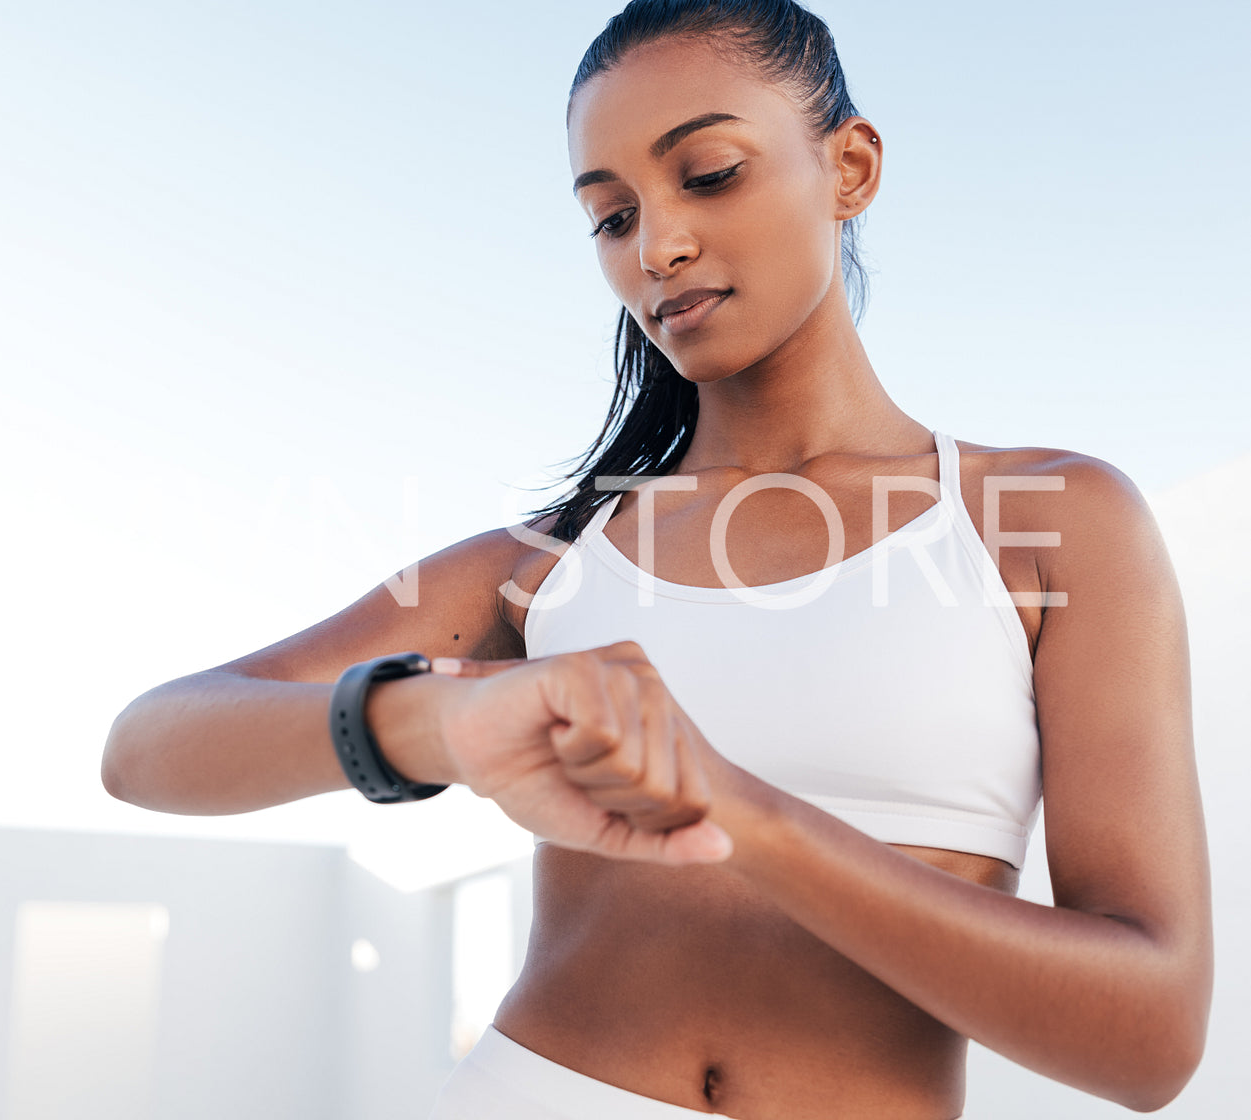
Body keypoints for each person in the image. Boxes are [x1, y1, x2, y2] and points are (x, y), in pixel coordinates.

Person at [100, 1, 1213, 1116]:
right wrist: (438, 720)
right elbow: (148, 747)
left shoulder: (1040, 520)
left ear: (852, 165)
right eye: (610, 215)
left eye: (709, 173)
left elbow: (1149, 1040)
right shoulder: (549, 564)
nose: (656, 247)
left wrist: (741, 812)